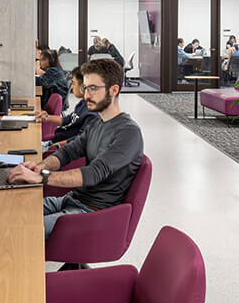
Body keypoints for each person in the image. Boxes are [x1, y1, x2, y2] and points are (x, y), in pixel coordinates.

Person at [8, 59, 143, 245]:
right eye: (86, 88)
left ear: (114, 90)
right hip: (72, 200)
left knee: (19, 232)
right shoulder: (97, 123)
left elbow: (93, 173)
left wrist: (42, 177)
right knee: (8, 214)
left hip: (93, 214)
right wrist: (38, 167)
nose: (86, 95)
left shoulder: (128, 133)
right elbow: (67, 153)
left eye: (93, 89)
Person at [36, 66, 96, 150]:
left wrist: (59, 145)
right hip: (55, 140)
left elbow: (81, 139)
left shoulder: (93, 113)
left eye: (74, 83)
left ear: (83, 87)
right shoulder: (83, 103)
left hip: (64, 148)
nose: (71, 87)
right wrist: (46, 117)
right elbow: (67, 120)